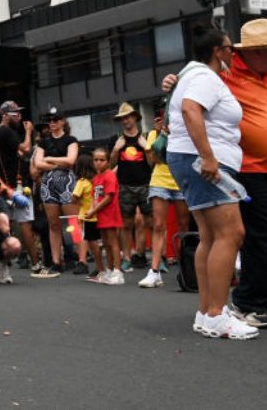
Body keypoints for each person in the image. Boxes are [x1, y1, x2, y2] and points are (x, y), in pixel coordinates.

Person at [164, 25, 258, 339]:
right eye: (230, 47)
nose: (233, 52)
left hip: (189, 158)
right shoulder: (205, 77)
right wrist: (207, 157)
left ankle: (207, 312)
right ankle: (217, 313)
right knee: (231, 233)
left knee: (210, 235)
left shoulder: (190, 75)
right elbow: (191, 110)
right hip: (199, 161)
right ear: (217, 51)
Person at [0, 101, 40, 270]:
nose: (19, 116)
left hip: (0, 187)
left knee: (3, 226)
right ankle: (36, 265)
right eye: (15, 113)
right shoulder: (7, 132)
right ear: (5, 115)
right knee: (25, 225)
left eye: (19, 112)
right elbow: (26, 149)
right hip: (15, 187)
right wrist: (29, 131)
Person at [140, 112, 188, 289]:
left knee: (184, 225)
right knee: (158, 225)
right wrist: (161, 134)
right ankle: (154, 272)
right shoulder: (154, 133)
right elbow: (152, 161)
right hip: (160, 178)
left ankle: (186, 267)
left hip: (181, 178)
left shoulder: (184, 130)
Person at [32, 111, 78, 279]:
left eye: (55, 120)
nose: (52, 123)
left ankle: (80, 258)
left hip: (67, 183)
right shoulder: (43, 142)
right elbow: (37, 164)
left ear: (62, 122)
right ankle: (57, 261)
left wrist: (50, 159)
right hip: (48, 184)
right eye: (49, 121)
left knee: (73, 221)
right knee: (53, 224)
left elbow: (71, 161)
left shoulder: (70, 140)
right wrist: (59, 163)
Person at [110, 102, 152, 272]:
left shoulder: (146, 137)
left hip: (145, 184)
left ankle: (148, 256)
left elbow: (152, 164)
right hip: (125, 185)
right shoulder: (117, 140)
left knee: (149, 221)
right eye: (122, 118)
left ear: (135, 117)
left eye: (128, 117)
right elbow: (110, 165)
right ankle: (127, 257)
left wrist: (146, 148)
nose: (125, 121)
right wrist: (115, 150)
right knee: (126, 224)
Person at [87, 147, 124, 286]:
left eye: (102, 160)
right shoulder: (96, 178)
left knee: (113, 243)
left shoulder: (109, 175)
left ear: (108, 162)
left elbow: (109, 197)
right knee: (106, 243)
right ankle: (109, 270)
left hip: (110, 213)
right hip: (100, 214)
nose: (98, 163)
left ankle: (118, 272)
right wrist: (91, 210)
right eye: (96, 160)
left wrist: (93, 210)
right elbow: (94, 197)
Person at [71, 152, 101, 277]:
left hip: (85, 215)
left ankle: (84, 262)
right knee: (94, 241)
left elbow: (74, 197)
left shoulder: (81, 182)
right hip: (97, 214)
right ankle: (100, 265)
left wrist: (77, 202)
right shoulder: (96, 180)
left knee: (86, 239)